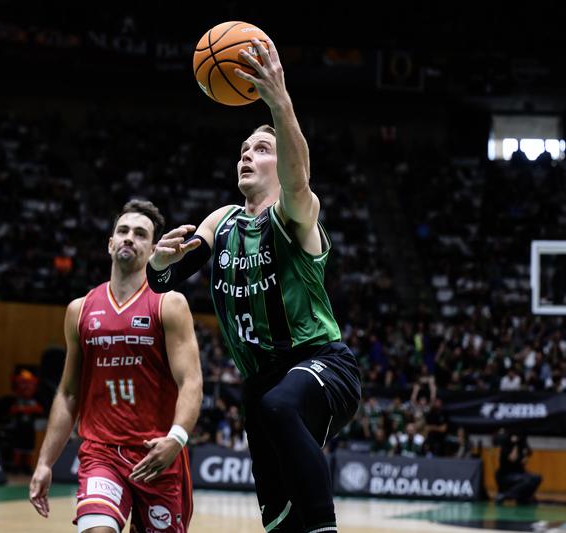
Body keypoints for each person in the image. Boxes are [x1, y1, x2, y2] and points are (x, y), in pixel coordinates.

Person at [146, 39, 361, 533]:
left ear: (278, 165)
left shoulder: (295, 215)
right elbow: (165, 280)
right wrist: (160, 262)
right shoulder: (221, 221)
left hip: (322, 362)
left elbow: (299, 176)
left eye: (261, 149)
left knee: (281, 405)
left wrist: (279, 102)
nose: (247, 155)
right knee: (278, 519)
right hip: (260, 384)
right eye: (243, 150)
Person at [29, 200, 203, 533]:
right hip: (101, 453)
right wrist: (44, 463)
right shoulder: (79, 310)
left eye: (140, 234)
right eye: (122, 231)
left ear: (154, 248)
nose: (129, 238)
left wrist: (176, 439)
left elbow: (191, 382)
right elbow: (68, 393)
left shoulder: (169, 304)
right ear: (110, 243)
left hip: (156, 454)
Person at [495, 430, 542, 505]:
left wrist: (525, 456)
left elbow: (527, 455)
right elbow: (512, 458)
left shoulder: (522, 445)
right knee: (527, 480)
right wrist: (515, 444)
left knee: (537, 478)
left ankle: (525, 497)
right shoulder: (506, 445)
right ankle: (506, 495)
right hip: (506, 475)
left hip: (520, 473)